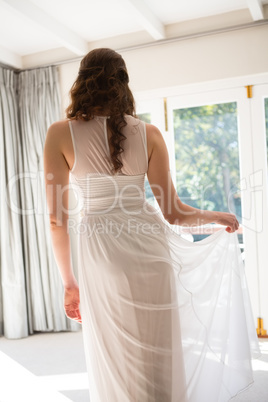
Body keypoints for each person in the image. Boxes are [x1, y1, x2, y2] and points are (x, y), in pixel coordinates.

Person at [43, 48, 259, 402]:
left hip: (103, 252)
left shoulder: (60, 133)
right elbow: (173, 213)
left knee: (115, 354)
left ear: (81, 82)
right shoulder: (150, 133)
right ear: (124, 83)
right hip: (152, 250)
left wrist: (69, 283)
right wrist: (217, 217)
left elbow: (56, 219)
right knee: (159, 349)